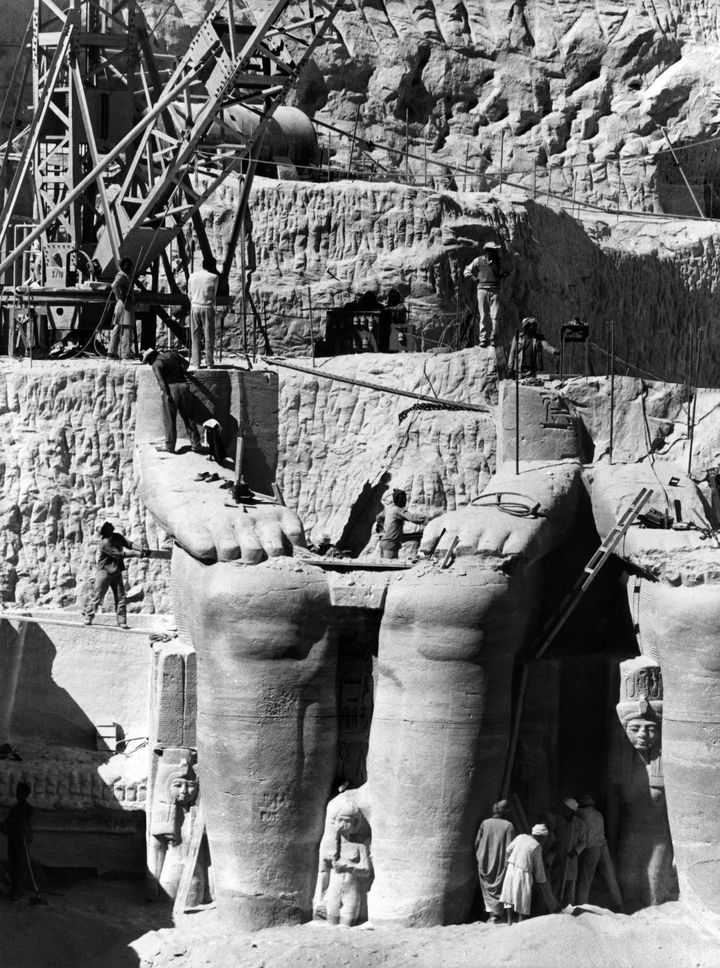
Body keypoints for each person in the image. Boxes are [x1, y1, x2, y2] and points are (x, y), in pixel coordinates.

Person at [83, 522, 149, 629]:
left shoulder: (117, 536)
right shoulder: (104, 543)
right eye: (108, 526)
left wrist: (140, 549)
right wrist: (136, 554)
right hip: (104, 572)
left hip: (116, 571)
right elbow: (118, 554)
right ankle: (88, 615)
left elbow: (129, 544)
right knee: (98, 595)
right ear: (105, 531)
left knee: (120, 597)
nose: (110, 525)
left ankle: (121, 621)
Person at [142, 348, 203, 454]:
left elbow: (161, 381)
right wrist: (181, 372)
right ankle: (196, 444)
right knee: (189, 417)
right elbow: (186, 364)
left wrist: (166, 394)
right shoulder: (173, 354)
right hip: (184, 387)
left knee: (169, 419)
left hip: (171, 389)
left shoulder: (156, 364)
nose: (149, 364)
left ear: (151, 357)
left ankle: (170, 446)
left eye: (148, 361)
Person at [500, 823, 558, 923]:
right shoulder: (536, 846)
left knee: (509, 895)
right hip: (523, 872)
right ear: (540, 836)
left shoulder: (520, 837)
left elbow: (508, 850)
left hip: (511, 868)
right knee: (523, 897)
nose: (543, 840)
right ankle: (520, 922)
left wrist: (513, 861)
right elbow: (539, 867)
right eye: (543, 838)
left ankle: (509, 922)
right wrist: (542, 880)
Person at [576, 794, 622, 908]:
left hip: (592, 848)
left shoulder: (580, 814)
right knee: (610, 877)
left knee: (585, 880)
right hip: (603, 846)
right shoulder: (598, 814)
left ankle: (581, 906)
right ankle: (619, 904)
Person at [475, 799, 516, 923]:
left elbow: (477, 843)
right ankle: (496, 916)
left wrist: (481, 855)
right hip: (500, 865)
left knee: (487, 889)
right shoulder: (509, 826)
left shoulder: (485, 823)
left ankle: (491, 915)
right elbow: (510, 847)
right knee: (499, 888)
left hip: (485, 862)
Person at [463, 241, 507, 347]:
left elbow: (506, 270)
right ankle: (483, 339)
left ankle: (494, 338)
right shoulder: (478, 261)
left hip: (495, 290)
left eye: (494, 250)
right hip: (482, 289)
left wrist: (502, 275)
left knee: (495, 316)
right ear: (487, 251)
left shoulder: (498, 261)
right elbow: (466, 271)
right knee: (483, 315)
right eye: (492, 250)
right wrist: (475, 278)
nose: (494, 252)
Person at [1, 781, 33, 899]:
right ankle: (15, 888)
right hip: (14, 840)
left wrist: (12, 827)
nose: (17, 794)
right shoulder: (15, 808)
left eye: (20, 792)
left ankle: (18, 890)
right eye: (17, 791)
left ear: (24, 794)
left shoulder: (28, 809)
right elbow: (10, 822)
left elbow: (23, 824)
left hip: (21, 840)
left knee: (20, 864)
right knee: (14, 864)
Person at [553, 797, 587, 907]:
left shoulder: (580, 824)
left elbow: (583, 842)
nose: (563, 811)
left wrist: (576, 851)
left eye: (566, 809)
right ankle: (554, 906)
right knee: (556, 882)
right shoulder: (557, 820)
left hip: (570, 858)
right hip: (558, 856)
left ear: (572, 811)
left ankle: (568, 908)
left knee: (569, 883)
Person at [375, 489, 428, 560]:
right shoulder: (398, 510)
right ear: (397, 500)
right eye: (402, 499)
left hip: (383, 543)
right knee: (390, 567)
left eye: (404, 499)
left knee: (383, 567)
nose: (404, 501)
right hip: (391, 545)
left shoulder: (389, 508)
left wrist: (382, 530)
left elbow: (378, 517)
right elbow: (412, 518)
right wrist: (426, 517)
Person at [187, 258, 219, 368]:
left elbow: (189, 294)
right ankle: (209, 363)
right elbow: (214, 295)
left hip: (195, 306)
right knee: (209, 336)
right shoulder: (214, 277)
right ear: (213, 266)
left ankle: (196, 363)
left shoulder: (192, 276)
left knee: (195, 335)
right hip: (207, 307)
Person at [108, 258, 136, 360]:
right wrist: (120, 296)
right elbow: (114, 285)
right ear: (123, 266)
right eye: (127, 265)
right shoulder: (122, 275)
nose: (129, 268)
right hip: (125, 305)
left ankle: (111, 352)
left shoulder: (125, 276)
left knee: (117, 328)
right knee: (126, 329)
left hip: (122, 305)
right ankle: (125, 354)